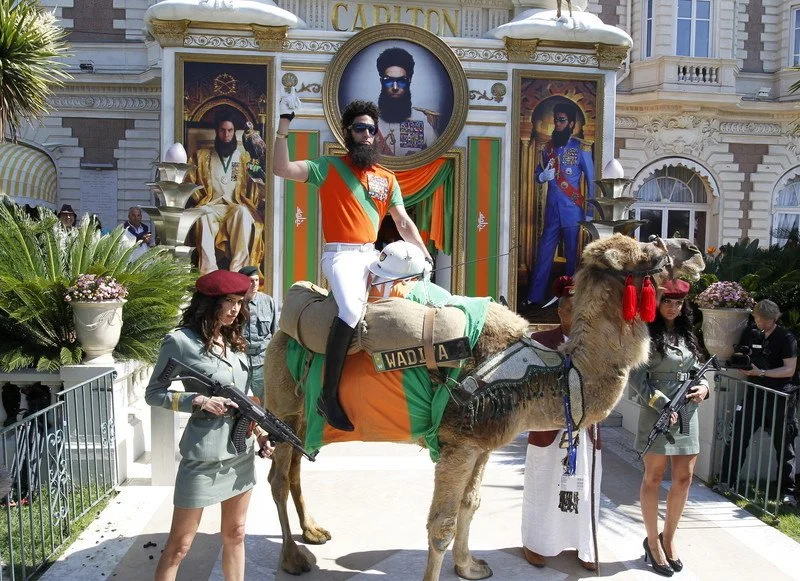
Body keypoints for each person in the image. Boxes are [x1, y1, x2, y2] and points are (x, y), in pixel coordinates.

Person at [273, 93, 432, 432]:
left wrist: (423, 253)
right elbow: (280, 169)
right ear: (348, 132)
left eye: (372, 129)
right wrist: (284, 124)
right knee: (350, 310)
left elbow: (402, 222)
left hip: (373, 255)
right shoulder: (327, 167)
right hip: (341, 256)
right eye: (360, 129)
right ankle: (328, 396)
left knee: (413, 293)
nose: (367, 135)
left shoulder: (387, 178)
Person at [144, 269, 273, 581]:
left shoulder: (234, 341)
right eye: (228, 301)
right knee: (180, 545)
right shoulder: (180, 342)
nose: (235, 309)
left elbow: (244, 396)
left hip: (239, 453)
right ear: (209, 302)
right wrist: (198, 400)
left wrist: (260, 433)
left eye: (239, 302)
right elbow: (154, 393)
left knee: (236, 533)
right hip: (203, 456)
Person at [631, 279, 711, 577]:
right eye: (667, 301)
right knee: (653, 477)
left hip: (687, 412)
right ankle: (652, 542)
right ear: (657, 302)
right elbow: (636, 378)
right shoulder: (643, 333)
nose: (673, 307)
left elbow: (697, 369)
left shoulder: (687, 334)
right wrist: (662, 403)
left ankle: (669, 538)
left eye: (678, 303)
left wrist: (704, 388)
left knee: (684, 478)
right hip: (657, 412)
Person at [521, 276, 600, 572]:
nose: (577, 316)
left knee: (584, 487)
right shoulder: (540, 342)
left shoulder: (595, 344)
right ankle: (535, 543)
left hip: (585, 428)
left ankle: (584, 544)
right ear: (560, 312)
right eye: (571, 310)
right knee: (542, 483)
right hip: (548, 427)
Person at [720, 299, 798, 506]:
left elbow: (789, 369)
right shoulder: (751, 332)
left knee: (784, 445)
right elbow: (741, 354)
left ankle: (788, 492)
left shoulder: (786, 338)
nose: (762, 324)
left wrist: (761, 372)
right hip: (754, 394)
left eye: (767, 320)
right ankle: (727, 482)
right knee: (737, 436)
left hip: (780, 397)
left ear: (776, 318)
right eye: (759, 319)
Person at [527, 102, 595, 304]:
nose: (558, 124)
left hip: (572, 211)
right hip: (552, 210)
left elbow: (591, 181)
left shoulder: (581, 149)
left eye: (562, 120)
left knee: (572, 257)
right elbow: (538, 172)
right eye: (556, 120)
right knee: (544, 253)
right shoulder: (547, 148)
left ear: (571, 124)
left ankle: (569, 299)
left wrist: (590, 210)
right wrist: (542, 177)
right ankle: (535, 297)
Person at [188, 112, 261, 275]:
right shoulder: (202, 156)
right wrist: (200, 200)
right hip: (211, 205)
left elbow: (255, 186)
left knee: (244, 213)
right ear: (217, 131)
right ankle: (208, 272)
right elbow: (190, 181)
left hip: (233, 206)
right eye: (222, 130)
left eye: (230, 130)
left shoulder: (243, 159)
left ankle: (239, 271)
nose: (226, 135)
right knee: (202, 214)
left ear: (234, 132)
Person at [373, 47, 439, 157]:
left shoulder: (423, 121)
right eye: (388, 80)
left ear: (409, 81)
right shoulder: (369, 120)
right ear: (381, 81)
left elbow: (435, 157)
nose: (395, 87)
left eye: (401, 81)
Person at [238, 266, 276, 394]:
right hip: (240, 361)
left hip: (262, 363)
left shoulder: (268, 302)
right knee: (236, 400)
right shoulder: (235, 303)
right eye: (250, 281)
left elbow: (275, 333)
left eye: (256, 280)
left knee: (264, 401)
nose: (254, 284)